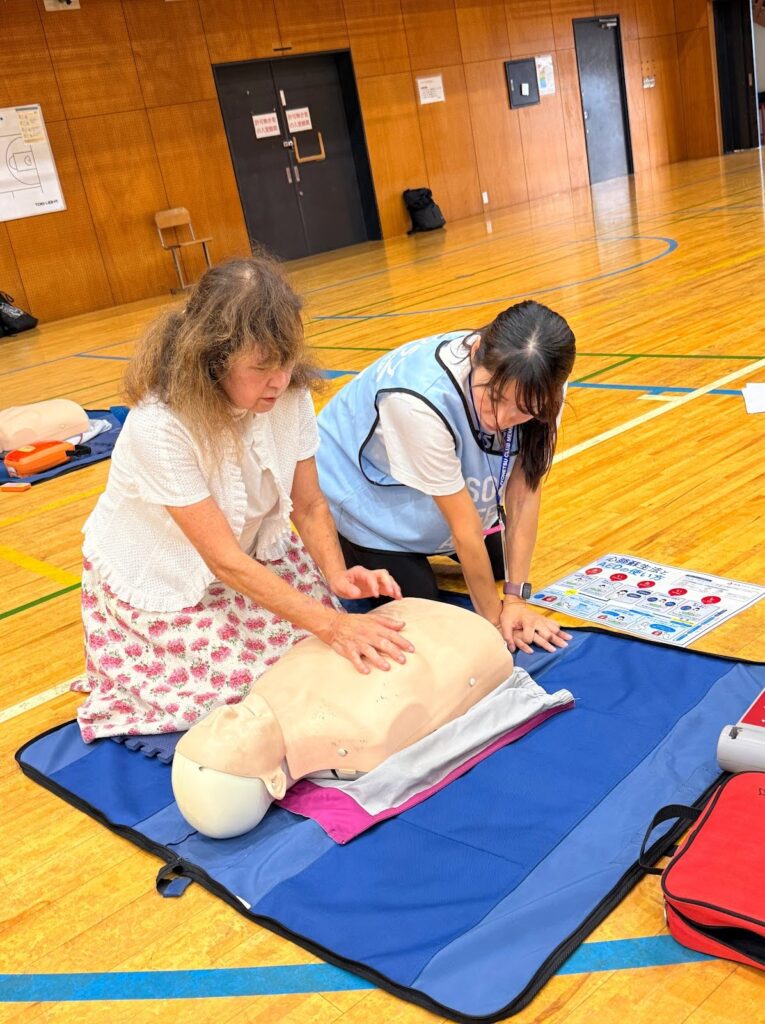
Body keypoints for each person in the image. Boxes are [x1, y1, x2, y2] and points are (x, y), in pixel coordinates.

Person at [74, 256, 413, 743]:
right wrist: (332, 626)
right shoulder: (160, 426)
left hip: (246, 556)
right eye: (261, 368)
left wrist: (336, 577)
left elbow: (310, 504)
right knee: (245, 692)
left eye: (287, 361)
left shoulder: (287, 392)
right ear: (211, 359)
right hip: (173, 576)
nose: (280, 380)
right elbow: (223, 561)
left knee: (309, 661)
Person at [316, 300, 575, 655]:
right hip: (361, 491)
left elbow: (524, 494)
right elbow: (464, 529)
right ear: (476, 351)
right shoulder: (418, 400)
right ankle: (347, 539)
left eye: (522, 410)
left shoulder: (542, 386)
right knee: (423, 605)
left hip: (434, 489)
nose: (501, 417)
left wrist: (515, 598)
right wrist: (494, 624)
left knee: (499, 565)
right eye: (494, 396)